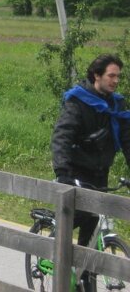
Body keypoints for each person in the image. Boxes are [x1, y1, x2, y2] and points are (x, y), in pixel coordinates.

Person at [51, 54, 130, 292]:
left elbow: (127, 140)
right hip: (76, 172)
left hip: (100, 173)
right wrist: (62, 171)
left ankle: (85, 276)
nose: (116, 80)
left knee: (94, 224)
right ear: (97, 75)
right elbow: (62, 136)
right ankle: (58, 267)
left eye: (118, 76)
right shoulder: (78, 101)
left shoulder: (117, 104)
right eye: (111, 75)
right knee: (74, 221)